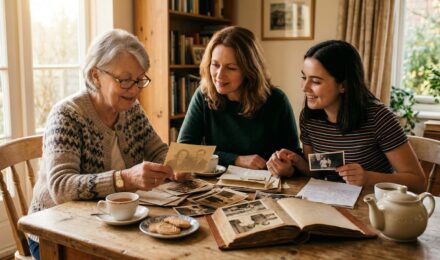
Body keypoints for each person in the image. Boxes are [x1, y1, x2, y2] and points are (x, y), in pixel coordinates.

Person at [27, 29, 188, 260]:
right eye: (124, 80)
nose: (134, 90)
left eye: (139, 80)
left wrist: (176, 165)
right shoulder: (67, 115)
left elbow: (158, 150)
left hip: (112, 223)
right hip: (56, 231)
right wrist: (125, 178)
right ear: (95, 76)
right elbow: (61, 187)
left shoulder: (131, 110)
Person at [267, 40, 426, 193]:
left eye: (315, 81)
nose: (304, 87)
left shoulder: (379, 118)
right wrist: (296, 163)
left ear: (343, 85)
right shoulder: (310, 118)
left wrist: (368, 178)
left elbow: (418, 183)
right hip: (330, 203)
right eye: (304, 77)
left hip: (373, 208)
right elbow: (318, 173)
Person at [178, 26, 301, 169]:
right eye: (215, 65)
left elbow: (294, 157)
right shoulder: (203, 95)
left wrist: (288, 168)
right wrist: (237, 160)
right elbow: (182, 154)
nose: (219, 75)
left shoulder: (277, 100)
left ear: (250, 71)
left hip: (264, 185)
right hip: (216, 185)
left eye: (231, 68)